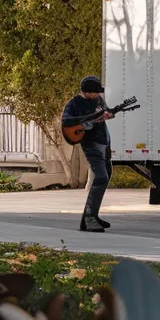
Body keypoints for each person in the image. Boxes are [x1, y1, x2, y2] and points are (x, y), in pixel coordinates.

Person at [62, 76, 114, 232]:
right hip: (91, 144)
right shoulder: (74, 104)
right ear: (86, 92)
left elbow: (105, 114)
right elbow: (67, 122)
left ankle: (91, 216)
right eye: (95, 92)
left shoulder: (99, 101)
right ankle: (89, 218)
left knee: (106, 175)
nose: (98, 95)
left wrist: (107, 115)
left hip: (103, 143)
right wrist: (88, 122)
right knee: (101, 177)